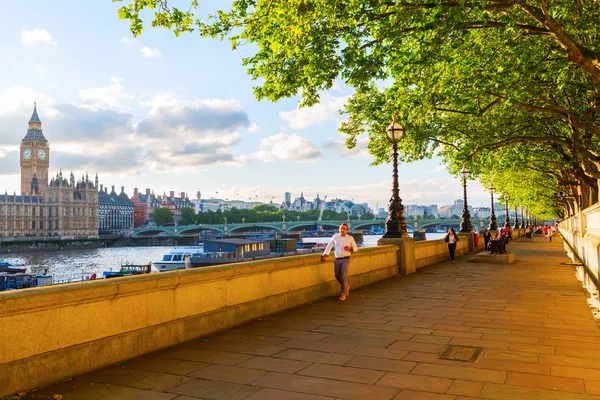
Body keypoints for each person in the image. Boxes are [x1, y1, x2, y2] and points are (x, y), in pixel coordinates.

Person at [321, 223, 358, 301]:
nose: (342, 230)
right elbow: (329, 246)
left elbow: (355, 248)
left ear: (347, 230)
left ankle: (343, 294)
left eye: (344, 228)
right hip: (337, 259)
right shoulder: (335, 237)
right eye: (341, 228)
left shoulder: (350, 238)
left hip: (346, 259)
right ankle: (346, 286)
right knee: (337, 276)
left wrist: (350, 248)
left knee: (343, 276)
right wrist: (325, 255)